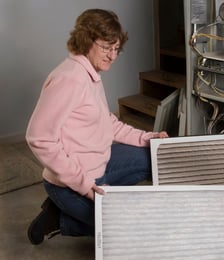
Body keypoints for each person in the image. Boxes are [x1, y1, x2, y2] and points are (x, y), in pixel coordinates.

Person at [25, 9, 168, 245]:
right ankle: (60, 219)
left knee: (150, 156)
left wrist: (149, 138)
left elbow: (109, 124)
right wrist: (84, 186)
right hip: (75, 182)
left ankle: (97, 205)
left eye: (116, 49)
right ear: (86, 41)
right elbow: (39, 138)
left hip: (99, 164)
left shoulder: (90, 74)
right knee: (131, 234)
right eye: (106, 47)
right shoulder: (69, 78)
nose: (112, 55)